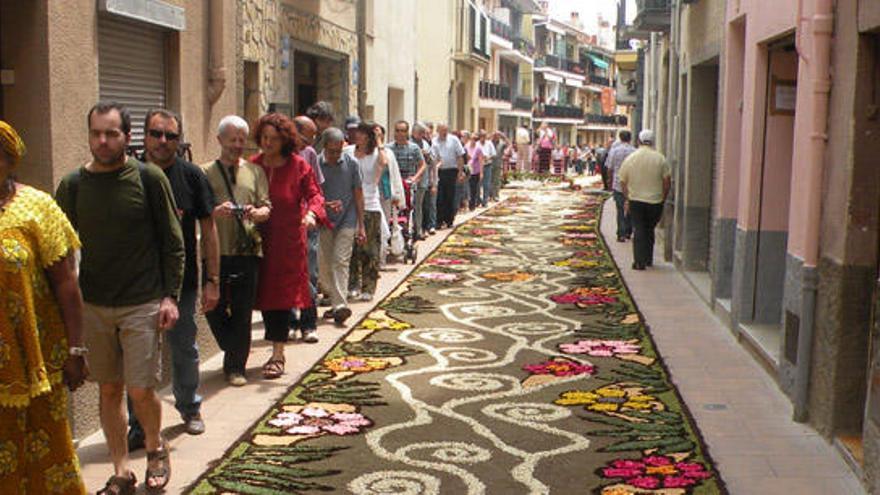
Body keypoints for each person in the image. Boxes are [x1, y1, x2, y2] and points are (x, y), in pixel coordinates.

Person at [55, 102, 185, 493]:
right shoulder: (74, 185)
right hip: (94, 304)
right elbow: (58, 250)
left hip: (143, 302)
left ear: (127, 137)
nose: (103, 140)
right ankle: (120, 471)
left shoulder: (148, 179)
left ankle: (154, 447)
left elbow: (172, 242)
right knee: (108, 388)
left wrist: (170, 296)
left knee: (140, 388)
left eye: (112, 133)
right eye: (96, 133)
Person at [0, 121, 87, 494]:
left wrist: (75, 349)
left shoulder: (36, 207)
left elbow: (67, 284)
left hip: (32, 360)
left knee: (43, 451)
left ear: (9, 160)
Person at [127, 109, 220, 452]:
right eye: (156, 133)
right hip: (136, 285)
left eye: (170, 136)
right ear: (144, 136)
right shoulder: (127, 175)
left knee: (184, 348)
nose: (162, 141)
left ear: (179, 141)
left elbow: (209, 231)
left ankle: (190, 408)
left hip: (182, 282)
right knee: (138, 357)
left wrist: (213, 279)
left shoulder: (192, 176)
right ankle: (137, 425)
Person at [250, 113, 326, 379]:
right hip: (255, 241)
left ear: (285, 140)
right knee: (259, 294)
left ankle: (278, 352)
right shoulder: (252, 165)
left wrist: (312, 214)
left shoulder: (298, 166)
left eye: (274, 139)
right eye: (264, 138)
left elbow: (315, 194)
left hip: (288, 242)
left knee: (280, 297)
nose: (268, 143)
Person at [202, 116, 271, 387]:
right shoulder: (205, 172)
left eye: (242, 140)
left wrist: (257, 212)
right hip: (215, 250)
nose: (238, 145)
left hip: (248, 248)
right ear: (220, 140)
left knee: (243, 311)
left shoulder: (255, 172)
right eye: (232, 139)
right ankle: (234, 347)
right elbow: (198, 210)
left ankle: (235, 367)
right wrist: (215, 211)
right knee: (212, 307)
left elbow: (267, 207)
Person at [318, 128, 365, 325]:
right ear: (324, 147)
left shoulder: (352, 164)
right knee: (324, 263)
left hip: (347, 218)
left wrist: (361, 224)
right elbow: (313, 193)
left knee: (340, 261)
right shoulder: (316, 164)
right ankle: (331, 295)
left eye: (339, 151)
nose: (336, 155)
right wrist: (325, 205)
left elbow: (358, 193)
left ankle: (339, 306)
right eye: (331, 151)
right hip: (323, 219)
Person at [618, 129, 671, 270]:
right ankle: (648, 258)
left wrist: (627, 197)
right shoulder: (660, 159)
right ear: (652, 142)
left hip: (636, 200)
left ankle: (639, 261)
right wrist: (663, 197)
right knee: (649, 228)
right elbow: (667, 181)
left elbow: (622, 180)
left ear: (639, 141)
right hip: (655, 201)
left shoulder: (631, 158)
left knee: (639, 228)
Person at [292, 116, 324, 343]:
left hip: (308, 222)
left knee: (309, 274)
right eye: (307, 138)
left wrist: (315, 210)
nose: (310, 143)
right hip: (285, 225)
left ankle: (308, 323)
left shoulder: (309, 155)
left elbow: (316, 189)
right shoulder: (277, 156)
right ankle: (290, 323)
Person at [346, 121, 385, 302]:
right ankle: (352, 284)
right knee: (352, 248)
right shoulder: (348, 152)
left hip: (370, 203)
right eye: (357, 133)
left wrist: (379, 141)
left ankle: (368, 286)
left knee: (369, 248)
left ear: (369, 136)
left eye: (362, 133)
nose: (358, 136)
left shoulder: (377, 154)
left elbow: (383, 162)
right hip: (351, 204)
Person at [389, 120, 427, 238]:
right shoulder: (388, 148)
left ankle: (409, 233)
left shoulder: (414, 148)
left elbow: (423, 165)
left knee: (409, 210)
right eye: (397, 131)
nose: (400, 133)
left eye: (403, 131)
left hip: (409, 185)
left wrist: (415, 178)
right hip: (393, 184)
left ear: (407, 133)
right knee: (392, 211)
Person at [431, 123, 466, 229]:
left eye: (446, 130)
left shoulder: (454, 140)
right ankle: (439, 220)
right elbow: (434, 158)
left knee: (450, 196)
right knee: (440, 197)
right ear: (438, 131)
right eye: (442, 130)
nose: (444, 133)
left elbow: (460, 156)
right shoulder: (434, 142)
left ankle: (449, 220)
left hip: (452, 171)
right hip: (440, 171)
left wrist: (460, 172)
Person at [606, 130, 637, 242]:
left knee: (619, 209)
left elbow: (610, 168)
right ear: (630, 139)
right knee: (630, 207)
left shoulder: (614, 151)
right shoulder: (634, 151)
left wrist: (609, 181)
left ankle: (621, 233)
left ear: (620, 138)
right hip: (631, 184)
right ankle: (628, 231)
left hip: (618, 183)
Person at [412, 122, 436, 236]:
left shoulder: (425, 144)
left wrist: (427, 155)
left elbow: (432, 161)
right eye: (421, 132)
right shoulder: (409, 143)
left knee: (419, 206)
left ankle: (419, 229)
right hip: (410, 178)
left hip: (423, 180)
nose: (423, 135)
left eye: (424, 133)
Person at [465, 134, 485, 211]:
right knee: (467, 188)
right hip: (467, 170)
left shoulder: (478, 148)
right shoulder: (466, 146)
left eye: (475, 139)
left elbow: (481, 161)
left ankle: (472, 204)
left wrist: (481, 172)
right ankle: (467, 202)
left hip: (475, 171)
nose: (473, 141)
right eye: (472, 139)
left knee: (473, 188)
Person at [490, 132, 507, 201]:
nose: (496, 137)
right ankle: (490, 195)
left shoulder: (501, 143)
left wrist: (504, 136)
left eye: (498, 136)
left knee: (496, 180)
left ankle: (496, 195)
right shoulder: (489, 143)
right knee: (490, 181)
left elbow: (509, 144)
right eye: (495, 136)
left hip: (498, 164)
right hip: (489, 164)